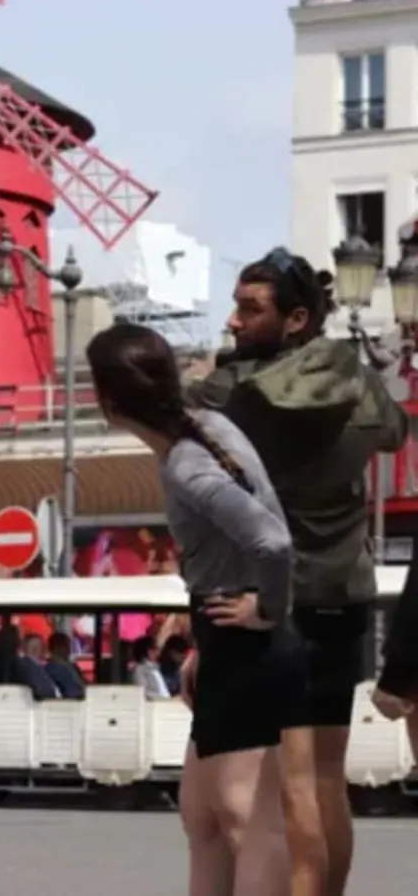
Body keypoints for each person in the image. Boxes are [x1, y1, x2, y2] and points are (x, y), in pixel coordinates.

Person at [189, 248, 409, 896]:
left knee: (281, 794)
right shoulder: (356, 378)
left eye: (249, 309)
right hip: (343, 593)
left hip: (275, 599)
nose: (232, 321)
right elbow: (395, 431)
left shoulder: (231, 395)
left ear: (296, 318)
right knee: (324, 781)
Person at [88, 322, 295, 895]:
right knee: (203, 813)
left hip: (249, 637)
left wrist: (267, 610)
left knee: (244, 814)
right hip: (226, 635)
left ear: (107, 402)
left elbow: (270, 540)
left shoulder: (186, 462)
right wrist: (209, 640)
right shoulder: (207, 429)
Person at [44, 632, 85, 699]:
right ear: (56, 647)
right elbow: (73, 691)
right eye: (66, 646)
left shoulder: (72, 666)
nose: (69, 650)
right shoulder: (54, 669)